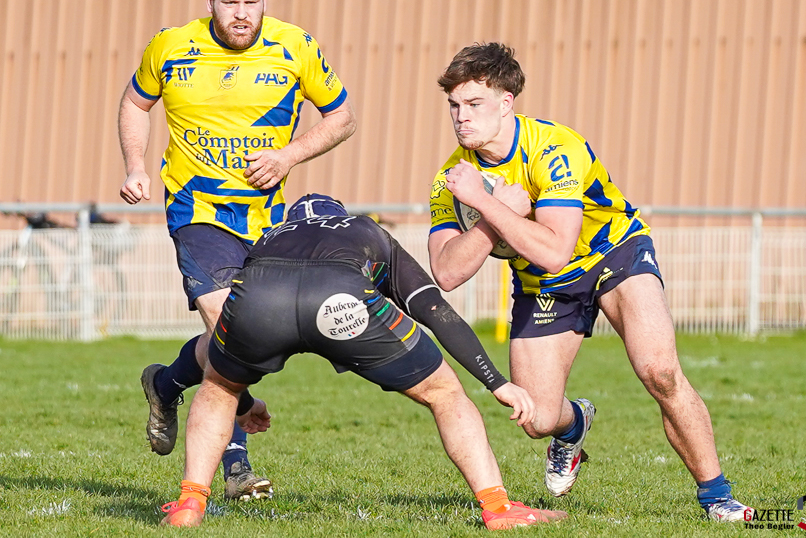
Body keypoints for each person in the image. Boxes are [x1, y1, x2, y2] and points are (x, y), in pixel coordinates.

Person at [427, 43, 753, 521]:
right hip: (544, 284)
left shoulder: (555, 147)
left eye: (474, 104)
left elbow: (559, 249)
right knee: (536, 418)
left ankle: (717, 497)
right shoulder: (452, 180)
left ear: (505, 102)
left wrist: (489, 205)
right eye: (454, 106)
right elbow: (448, 272)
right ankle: (574, 425)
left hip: (613, 254)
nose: (461, 117)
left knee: (659, 371)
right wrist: (491, 216)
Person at [158, 194, 568, 530]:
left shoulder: (271, 235)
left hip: (263, 298)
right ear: (340, 215)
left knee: (218, 387)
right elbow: (432, 309)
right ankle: (497, 507)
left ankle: (190, 502)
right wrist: (497, 382)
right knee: (444, 393)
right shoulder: (366, 228)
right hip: (340, 303)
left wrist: (245, 400)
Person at [117, 0, 357, 501]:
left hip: (265, 220)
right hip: (197, 212)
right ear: (210, 0)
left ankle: (168, 381)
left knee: (240, 337)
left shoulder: (294, 46)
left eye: (252, 2)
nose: (242, 13)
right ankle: (236, 468)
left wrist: (290, 156)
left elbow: (343, 116)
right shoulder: (171, 46)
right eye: (230, 2)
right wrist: (135, 167)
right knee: (232, 328)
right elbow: (134, 104)